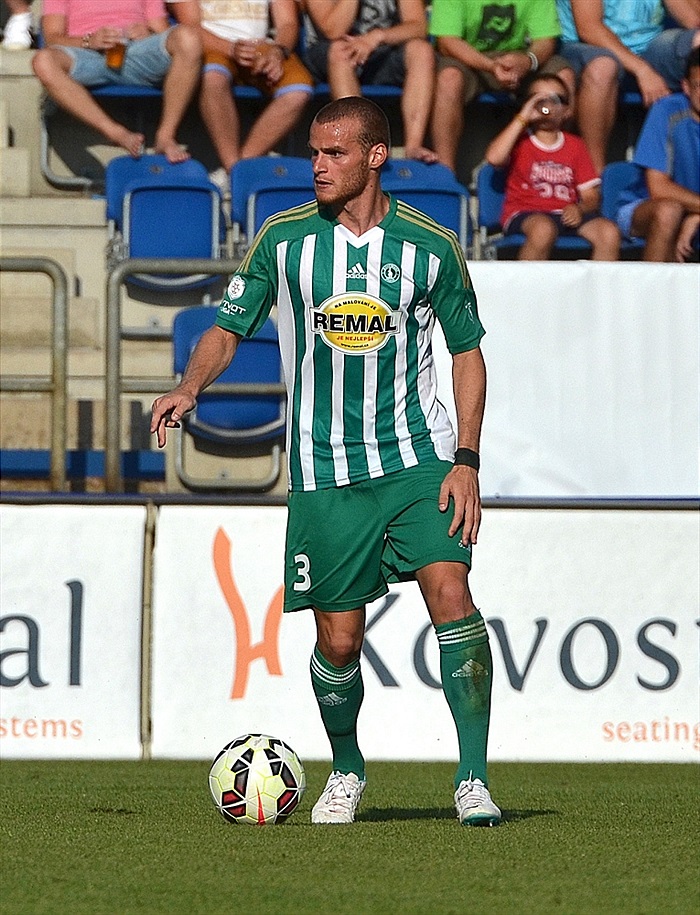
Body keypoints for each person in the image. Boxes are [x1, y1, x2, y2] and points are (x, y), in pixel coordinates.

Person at [151, 96, 501, 828]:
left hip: (416, 461)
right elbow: (226, 328)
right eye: (314, 151)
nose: (316, 165)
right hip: (323, 473)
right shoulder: (284, 240)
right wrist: (189, 384)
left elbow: (467, 354)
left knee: (452, 595)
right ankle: (346, 766)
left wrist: (465, 458)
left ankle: (472, 778)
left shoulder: (430, 245)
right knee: (339, 639)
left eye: (334, 153)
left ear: (376, 155)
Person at [32, 0, 202, 162]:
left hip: (136, 52)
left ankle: (165, 136)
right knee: (43, 61)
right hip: (87, 54)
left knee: (188, 38)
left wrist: (148, 33)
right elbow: (52, 38)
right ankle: (115, 132)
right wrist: (89, 41)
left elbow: (163, 31)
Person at [168, 0, 313, 184]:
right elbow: (190, 25)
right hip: (213, 45)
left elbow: (287, 23)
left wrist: (278, 50)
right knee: (212, 77)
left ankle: (237, 171)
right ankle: (235, 172)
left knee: (298, 90)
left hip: (262, 47)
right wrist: (230, 48)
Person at [485, 72, 621, 260]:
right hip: (527, 213)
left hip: (566, 213)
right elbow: (494, 158)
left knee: (609, 232)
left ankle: (599, 289)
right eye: (538, 99)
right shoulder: (519, 141)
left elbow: (591, 196)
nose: (546, 106)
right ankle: (527, 288)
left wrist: (579, 209)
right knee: (543, 229)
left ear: (566, 110)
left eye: (556, 99)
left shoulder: (576, 145)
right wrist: (524, 116)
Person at [429, 0, 575, 174]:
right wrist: (491, 66)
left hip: (519, 56)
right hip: (469, 59)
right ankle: (446, 173)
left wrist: (528, 61)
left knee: (563, 76)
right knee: (448, 79)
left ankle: (563, 164)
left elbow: (545, 40)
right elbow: (447, 42)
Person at [556, 0, 700, 174]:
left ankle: (688, 170)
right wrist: (643, 70)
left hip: (648, 46)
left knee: (696, 41)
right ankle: (594, 177)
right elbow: (589, 29)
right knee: (603, 67)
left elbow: (693, 21)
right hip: (589, 48)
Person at [301, 0, 437, 162]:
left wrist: (378, 36)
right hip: (328, 54)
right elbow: (333, 31)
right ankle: (360, 143)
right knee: (340, 51)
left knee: (421, 51)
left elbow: (418, 27)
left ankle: (413, 146)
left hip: (378, 53)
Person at [613, 47, 700, 261]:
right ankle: (652, 293)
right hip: (644, 204)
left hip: (693, 206)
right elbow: (659, 189)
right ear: (686, 87)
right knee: (669, 212)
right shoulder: (667, 111)